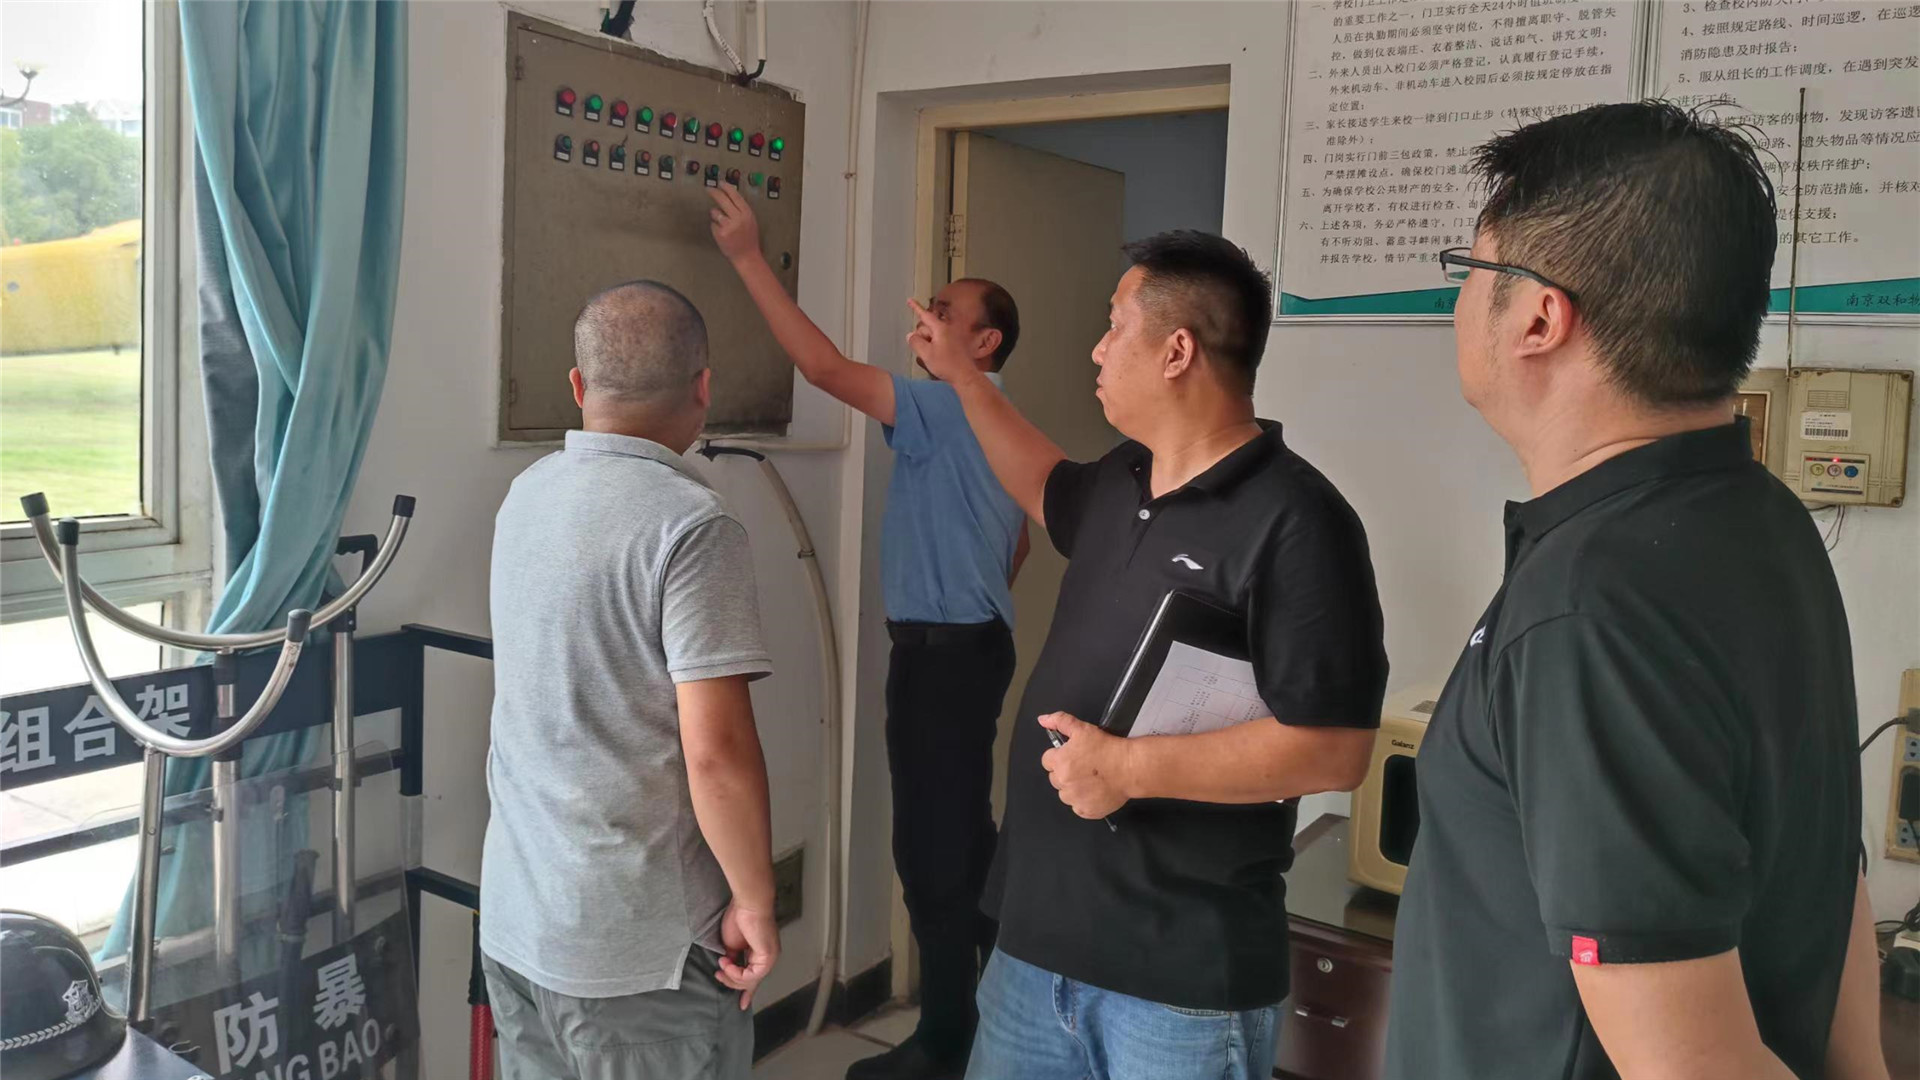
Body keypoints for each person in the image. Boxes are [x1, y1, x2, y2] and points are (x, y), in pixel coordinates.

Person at [1384, 102, 1889, 1080]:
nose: (1460, 303)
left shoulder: (1589, 610)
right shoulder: (1765, 520)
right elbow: (1833, 878)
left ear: (1539, 316)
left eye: (1470, 271)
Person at [909, 230, 1389, 1080]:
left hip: (1177, 983)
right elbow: (1038, 477)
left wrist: (1128, 769)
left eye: (1114, 324)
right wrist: (966, 379)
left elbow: (1335, 749)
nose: (1097, 349)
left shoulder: (1298, 522)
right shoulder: (1122, 478)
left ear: (1177, 351)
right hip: (1033, 950)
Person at [709, 186, 1029, 1080]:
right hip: (972, 649)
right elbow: (1020, 543)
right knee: (964, 839)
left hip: (943, 659)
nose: (925, 318)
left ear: (986, 342)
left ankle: (946, 1045)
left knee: (933, 856)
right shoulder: (996, 415)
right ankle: (998, 1025)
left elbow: (821, 368)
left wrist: (747, 256)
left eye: (945, 312)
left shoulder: (945, 406)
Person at [479, 281, 779, 1080]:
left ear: (578, 385)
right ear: (703, 388)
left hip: (517, 920)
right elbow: (716, 753)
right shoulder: (692, 524)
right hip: (637, 952)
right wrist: (755, 900)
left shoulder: (526, 495)